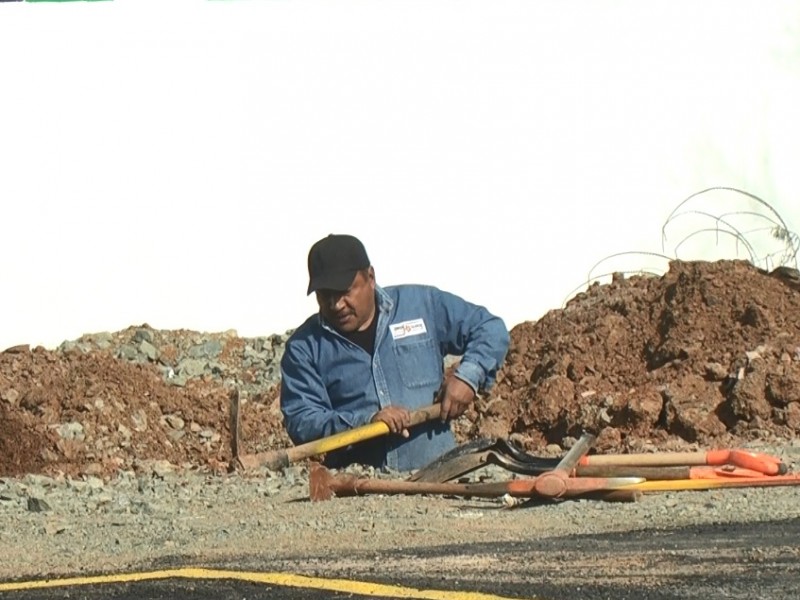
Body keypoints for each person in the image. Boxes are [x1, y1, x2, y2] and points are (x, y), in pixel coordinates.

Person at [279, 234, 510, 471]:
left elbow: (490, 329)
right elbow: (303, 421)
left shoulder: (421, 305)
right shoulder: (304, 347)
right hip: (358, 489)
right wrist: (365, 421)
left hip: (442, 475)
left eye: (345, 291)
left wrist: (467, 378)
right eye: (325, 295)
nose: (336, 304)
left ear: (370, 277)